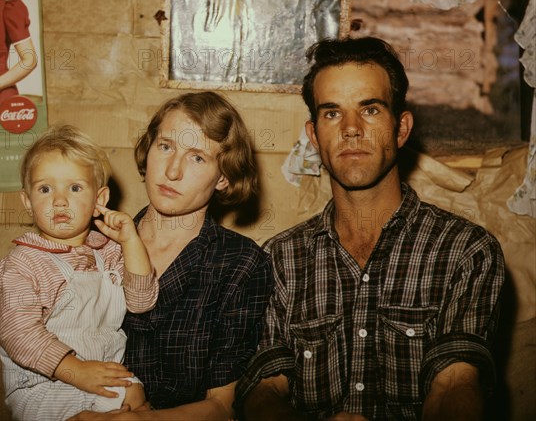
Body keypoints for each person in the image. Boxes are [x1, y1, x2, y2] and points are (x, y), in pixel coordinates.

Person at [235, 37, 505, 421]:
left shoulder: (466, 251)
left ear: (401, 128)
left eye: (371, 110)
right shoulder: (278, 259)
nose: (350, 129)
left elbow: (455, 383)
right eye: (332, 113)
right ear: (314, 136)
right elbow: (263, 390)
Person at [68, 91, 273, 420]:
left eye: (197, 158)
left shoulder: (241, 264)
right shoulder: (93, 245)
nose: (172, 171)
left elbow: (222, 406)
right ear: (148, 150)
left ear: (223, 177)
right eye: (165, 146)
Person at [0, 125, 159, 420]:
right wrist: (75, 370)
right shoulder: (23, 263)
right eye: (45, 189)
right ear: (28, 202)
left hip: (95, 376)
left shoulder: (108, 253)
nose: (59, 200)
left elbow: (141, 301)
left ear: (100, 199)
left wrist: (131, 241)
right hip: (41, 384)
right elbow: (17, 332)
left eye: (74, 188)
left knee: (134, 394)